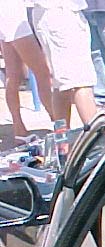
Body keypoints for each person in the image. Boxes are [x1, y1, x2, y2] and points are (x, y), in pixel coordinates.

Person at [32, 0, 98, 126]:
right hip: (61, 14)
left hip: (57, 14)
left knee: (62, 85)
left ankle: (62, 136)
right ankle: (97, 135)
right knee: (82, 82)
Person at [0, 0, 54, 144]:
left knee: (14, 75)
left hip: (7, 13)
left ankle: (19, 129)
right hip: (13, 14)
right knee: (42, 72)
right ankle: (57, 123)